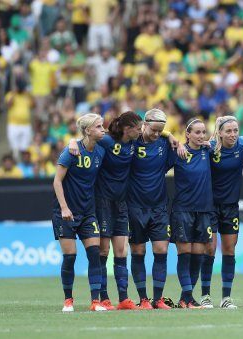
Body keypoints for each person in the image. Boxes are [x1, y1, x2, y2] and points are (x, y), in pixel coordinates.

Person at [69, 111, 142, 310]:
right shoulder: (107, 141)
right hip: (102, 202)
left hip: (121, 203)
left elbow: (157, 132)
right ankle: (103, 298)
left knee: (121, 251)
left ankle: (124, 299)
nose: (141, 130)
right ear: (128, 129)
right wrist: (72, 142)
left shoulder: (135, 143)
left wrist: (169, 135)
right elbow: (86, 140)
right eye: (138, 127)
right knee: (103, 251)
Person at [199, 116, 243, 308]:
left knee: (229, 250)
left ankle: (226, 298)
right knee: (209, 249)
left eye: (235, 130)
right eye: (228, 131)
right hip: (209, 207)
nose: (233, 134)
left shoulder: (241, 144)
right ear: (219, 132)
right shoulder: (209, 147)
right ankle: (205, 296)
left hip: (230, 207)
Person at [126, 108, 184, 309]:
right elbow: (109, 134)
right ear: (144, 125)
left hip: (159, 207)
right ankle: (143, 300)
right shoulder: (130, 143)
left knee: (161, 250)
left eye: (161, 131)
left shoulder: (165, 145)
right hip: (134, 207)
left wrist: (168, 136)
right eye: (154, 130)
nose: (157, 134)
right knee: (138, 252)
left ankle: (158, 299)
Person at [52, 113, 107, 312]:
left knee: (95, 254)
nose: (103, 129)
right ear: (88, 130)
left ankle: (95, 302)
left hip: (88, 212)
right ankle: (68, 300)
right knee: (70, 256)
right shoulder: (71, 151)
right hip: (65, 212)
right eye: (99, 127)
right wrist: (65, 208)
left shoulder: (101, 150)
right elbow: (57, 181)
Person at [169, 118, 214, 308]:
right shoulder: (178, 152)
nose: (201, 136)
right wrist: (171, 137)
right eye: (197, 132)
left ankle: (185, 298)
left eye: (203, 132)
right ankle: (187, 297)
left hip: (204, 210)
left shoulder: (208, 150)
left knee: (198, 255)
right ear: (187, 134)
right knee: (185, 253)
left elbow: (240, 139)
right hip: (183, 210)